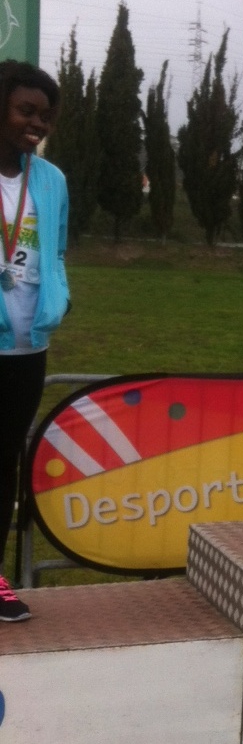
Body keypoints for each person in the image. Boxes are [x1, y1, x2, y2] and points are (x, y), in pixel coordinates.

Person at [0, 61, 70, 621]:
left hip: (27, 349)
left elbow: (57, 250)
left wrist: (59, 297)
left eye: (45, 116)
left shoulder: (50, 181)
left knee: (5, 466)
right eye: (26, 110)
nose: (37, 124)